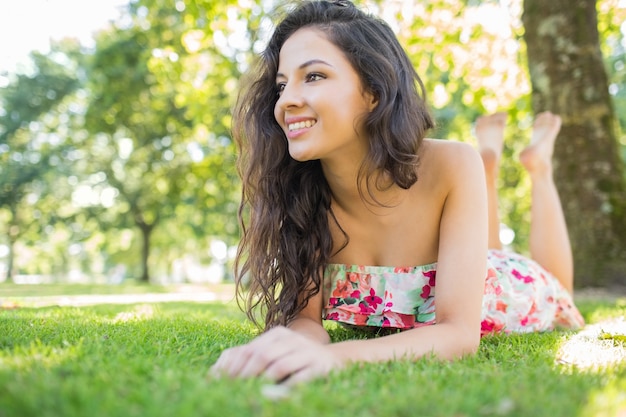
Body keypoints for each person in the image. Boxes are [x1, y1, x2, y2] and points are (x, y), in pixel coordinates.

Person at [211, 0, 584, 385]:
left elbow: (458, 334)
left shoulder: (451, 162)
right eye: (282, 85)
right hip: (465, 256)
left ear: (373, 92)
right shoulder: (301, 195)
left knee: (559, 285)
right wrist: (294, 348)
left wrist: (335, 358)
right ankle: (488, 168)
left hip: (508, 286)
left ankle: (538, 169)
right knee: (483, 240)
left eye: (315, 76)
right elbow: (307, 321)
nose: (286, 100)